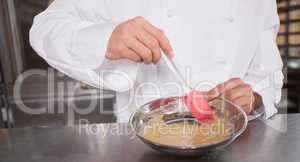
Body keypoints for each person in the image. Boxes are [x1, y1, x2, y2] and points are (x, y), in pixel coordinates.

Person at [30, 0, 283, 122]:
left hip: (229, 148)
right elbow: (45, 27)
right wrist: (106, 38)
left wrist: (254, 96)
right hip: (141, 152)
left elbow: (268, 71)